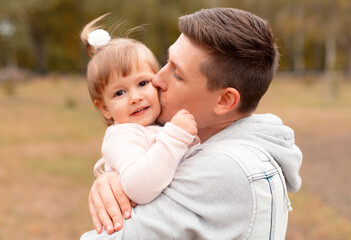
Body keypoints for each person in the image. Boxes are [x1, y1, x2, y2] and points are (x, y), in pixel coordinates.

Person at [82, 7, 302, 240]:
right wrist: (114, 175)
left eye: (177, 74)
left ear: (225, 100)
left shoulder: (223, 169)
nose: (157, 79)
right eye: (166, 62)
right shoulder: (222, 144)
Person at [80, 14, 199, 231]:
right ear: (104, 108)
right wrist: (176, 137)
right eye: (119, 92)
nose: (135, 97)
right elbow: (139, 188)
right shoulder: (122, 136)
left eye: (143, 83)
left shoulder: (162, 124)